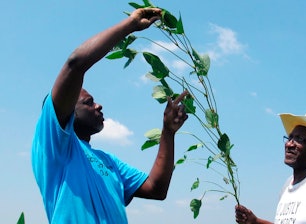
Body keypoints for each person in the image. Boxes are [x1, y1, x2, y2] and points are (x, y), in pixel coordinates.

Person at [31, 7, 189, 223]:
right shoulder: (56, 147)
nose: (99, 106)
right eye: (89, 102)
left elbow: (156, 188)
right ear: (68, 111)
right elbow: (75, 64)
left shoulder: (108, 162)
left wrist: (168, 132)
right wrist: (130, 26)